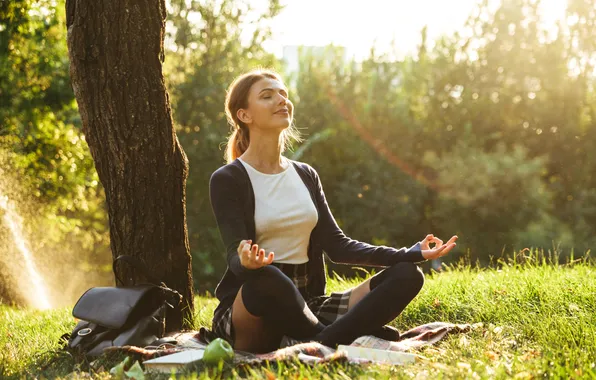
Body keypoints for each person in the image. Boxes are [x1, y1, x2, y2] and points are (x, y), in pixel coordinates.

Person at [207, 68, 457, 353]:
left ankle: (322, 340)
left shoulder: (305, 174)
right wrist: (246, 262)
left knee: (407, 275)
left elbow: (338, 247)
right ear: (244, 115)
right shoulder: (228, 179)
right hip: (254, 306)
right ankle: (340, 336)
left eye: (283, 94)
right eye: (267, 96)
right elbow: (234, 253)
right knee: (267, 277)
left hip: (309, 307)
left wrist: (410, 253)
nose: (281, 100)